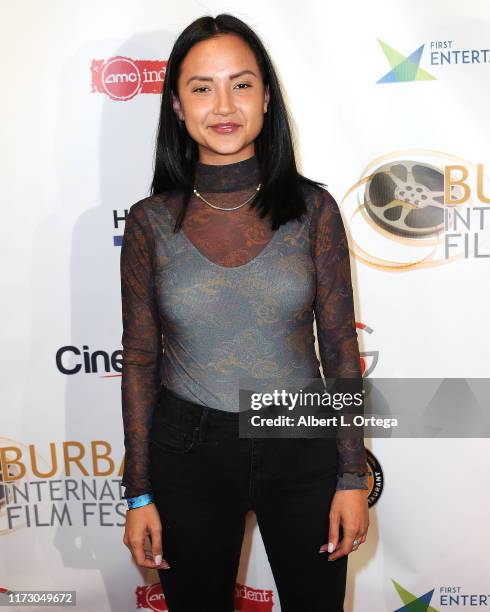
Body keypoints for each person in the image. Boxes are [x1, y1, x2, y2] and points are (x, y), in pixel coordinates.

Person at [120, 13, 369, 612]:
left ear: (266, 99)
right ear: (177, 105)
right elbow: (139, 360)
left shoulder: (314, 210)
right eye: (201, 87)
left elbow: (339, 349)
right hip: (189, 450)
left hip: (299, 436)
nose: (223, 104)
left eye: (242, 83)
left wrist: (352, 476)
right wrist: (137, 493)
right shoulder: (150, 222)